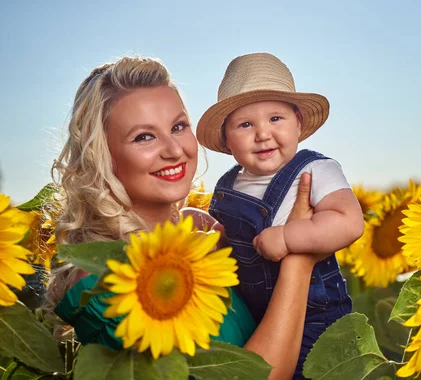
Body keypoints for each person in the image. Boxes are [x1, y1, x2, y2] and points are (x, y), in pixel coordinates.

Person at [45, 56, 322, 379]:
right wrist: (299, 260)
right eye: (144, 137)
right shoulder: (106, 281)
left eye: (178, 127)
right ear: (102, 156)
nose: (174, 150)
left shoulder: (192, 244)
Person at [196, 52, 364, 378]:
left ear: (298, 123)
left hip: (317, 317)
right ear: (227, 140)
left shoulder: (315, 169)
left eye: (276, 119)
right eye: (246, 125)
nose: (263, 134)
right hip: (258, 318)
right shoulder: (228, 185)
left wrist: (289, 238)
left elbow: (348, 221)